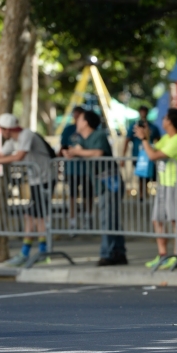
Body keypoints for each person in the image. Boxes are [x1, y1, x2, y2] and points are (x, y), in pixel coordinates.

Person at [64, 110, 128, 266]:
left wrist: (76, 151)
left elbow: (98, 152)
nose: (76, 122)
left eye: (79, 119)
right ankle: (119, 252)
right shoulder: (83, 139)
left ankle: (107, 254)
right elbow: (79, 150)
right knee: (111, 219)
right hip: (102, 184)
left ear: (86, 122)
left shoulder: (99, 135)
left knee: (108, 219)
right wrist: (71, 152)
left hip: (110, 183)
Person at [0, 113, 53, 266]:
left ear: (6, 129)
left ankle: (38, 252)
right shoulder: (12, 141)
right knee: (31, 216)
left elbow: (19, 156)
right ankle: (32, 251)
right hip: (35, 180)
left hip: (45, 179)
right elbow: (0, 155)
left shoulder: (26, 135)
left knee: (36, 217)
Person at [135, 108, 177, 270]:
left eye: (164, 118)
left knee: (175, 221)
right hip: (163, 185)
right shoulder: (167, 138)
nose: (162, 121)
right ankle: (163, 254)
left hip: (175, 185)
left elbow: (153, 156)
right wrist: (147, 137)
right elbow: (152, 149)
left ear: (169, 121)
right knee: (157, 219)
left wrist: (144, 138)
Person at [59, 106, 93, 231]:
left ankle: (88, 218)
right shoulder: (69, 129)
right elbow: (63, 147)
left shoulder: (90, 131)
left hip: (86, 169)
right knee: (73, 195)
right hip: (72, 169)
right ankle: (72, 220)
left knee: (87, 195)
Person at [122, 105, 161, 200]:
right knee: (141, 176)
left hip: (149, 155)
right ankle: (142, 194)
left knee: (149, 175)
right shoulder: (133, 126)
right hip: (138, 155)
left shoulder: (152, 127)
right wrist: (123, 156)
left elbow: (158, 140)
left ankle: (145, 193)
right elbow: (127, 140)